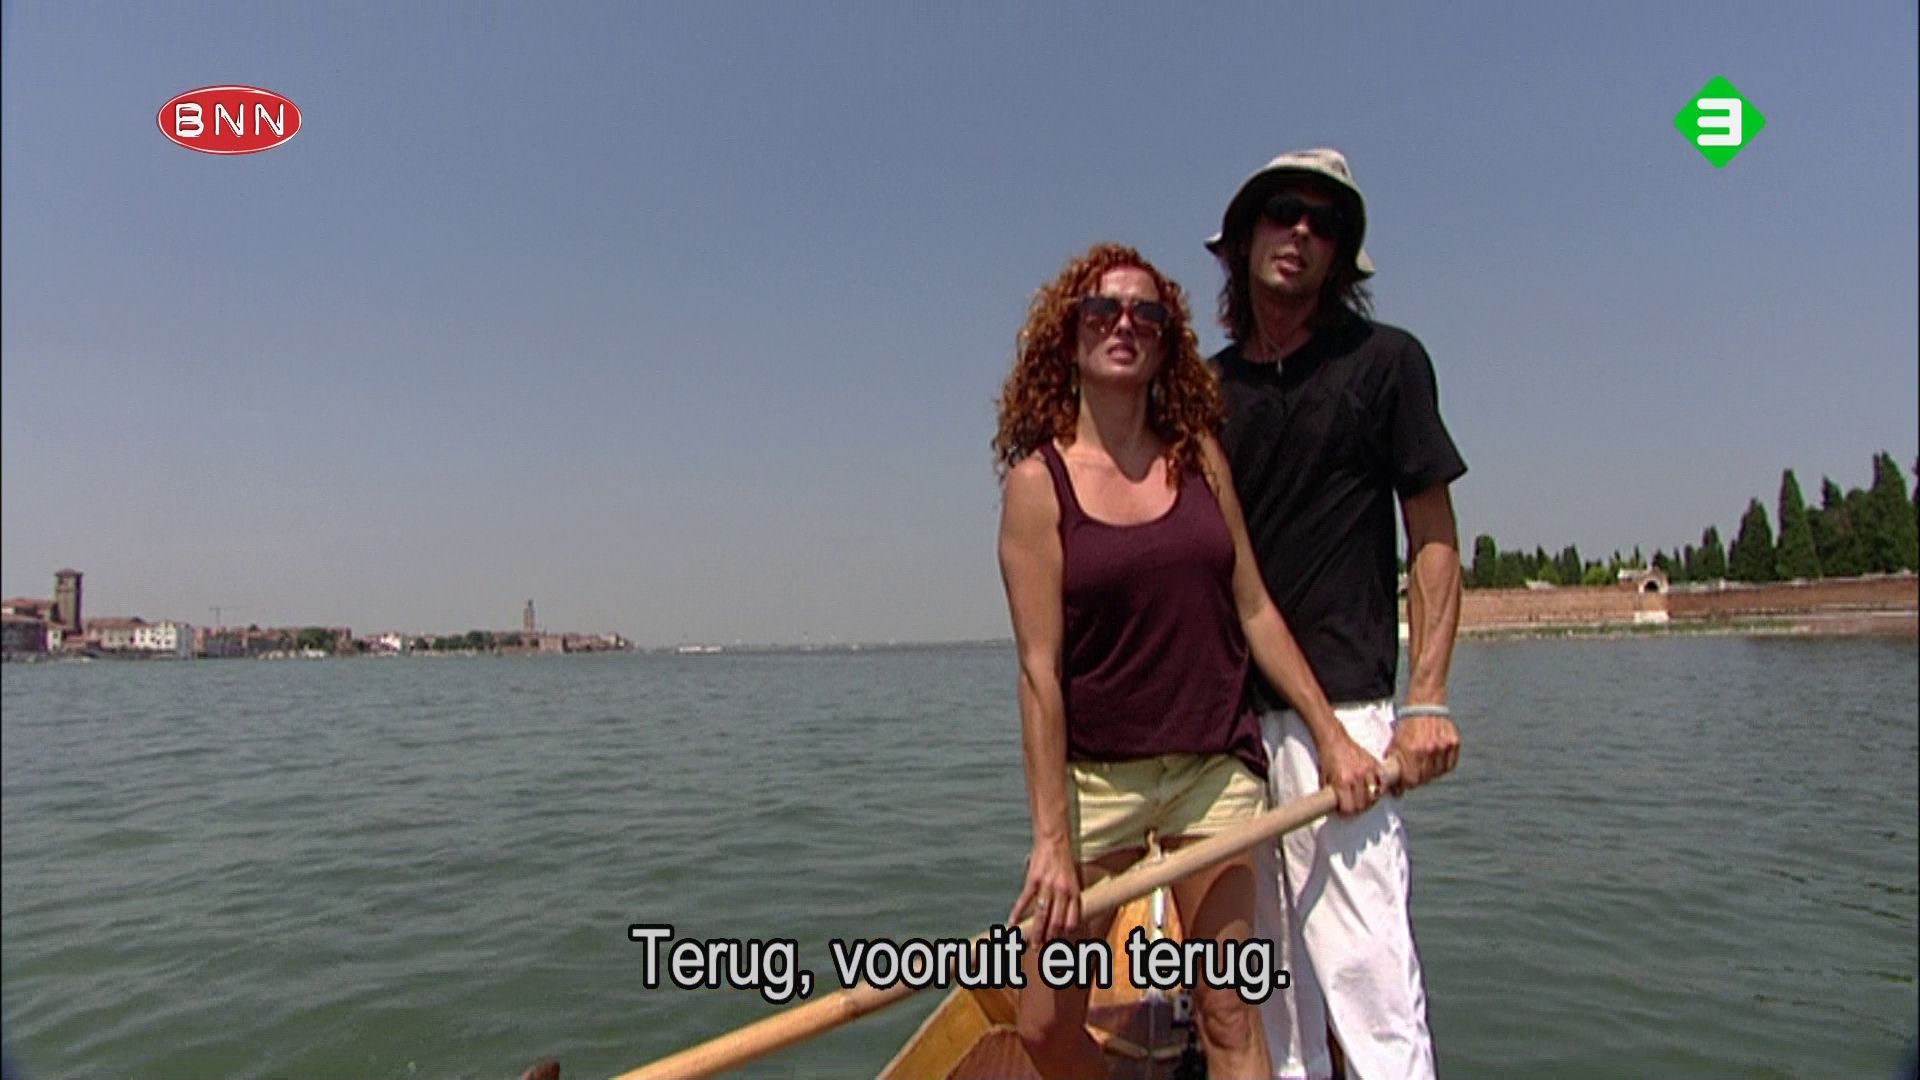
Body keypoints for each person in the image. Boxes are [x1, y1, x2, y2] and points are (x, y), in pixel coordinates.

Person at [993, 242, 1384, 1079]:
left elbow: (1255, 608)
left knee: (1228, 1014)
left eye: (1147, 313)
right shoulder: (1037, 484)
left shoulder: (1199, 458)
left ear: (1167, 341)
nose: (1124, 324)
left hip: (1213, 772)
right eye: (1102, 310)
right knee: (1042, 1026)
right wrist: (1052, 841)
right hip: (1096, 783)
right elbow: (1038, 674)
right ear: (1069, 336)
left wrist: (1333, 737)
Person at [1203, 149, 1466, 1079]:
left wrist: (1425, 700)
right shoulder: (1204, 393)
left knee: (1372, 989)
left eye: (1325, 222)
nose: (1301, 231)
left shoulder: (1385, 363)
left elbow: (1433, 536)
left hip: (1348, 722)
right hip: (1229, 733)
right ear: (1244, 239)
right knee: (1273, 1008)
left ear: (1342, 254)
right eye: (1283, 211)